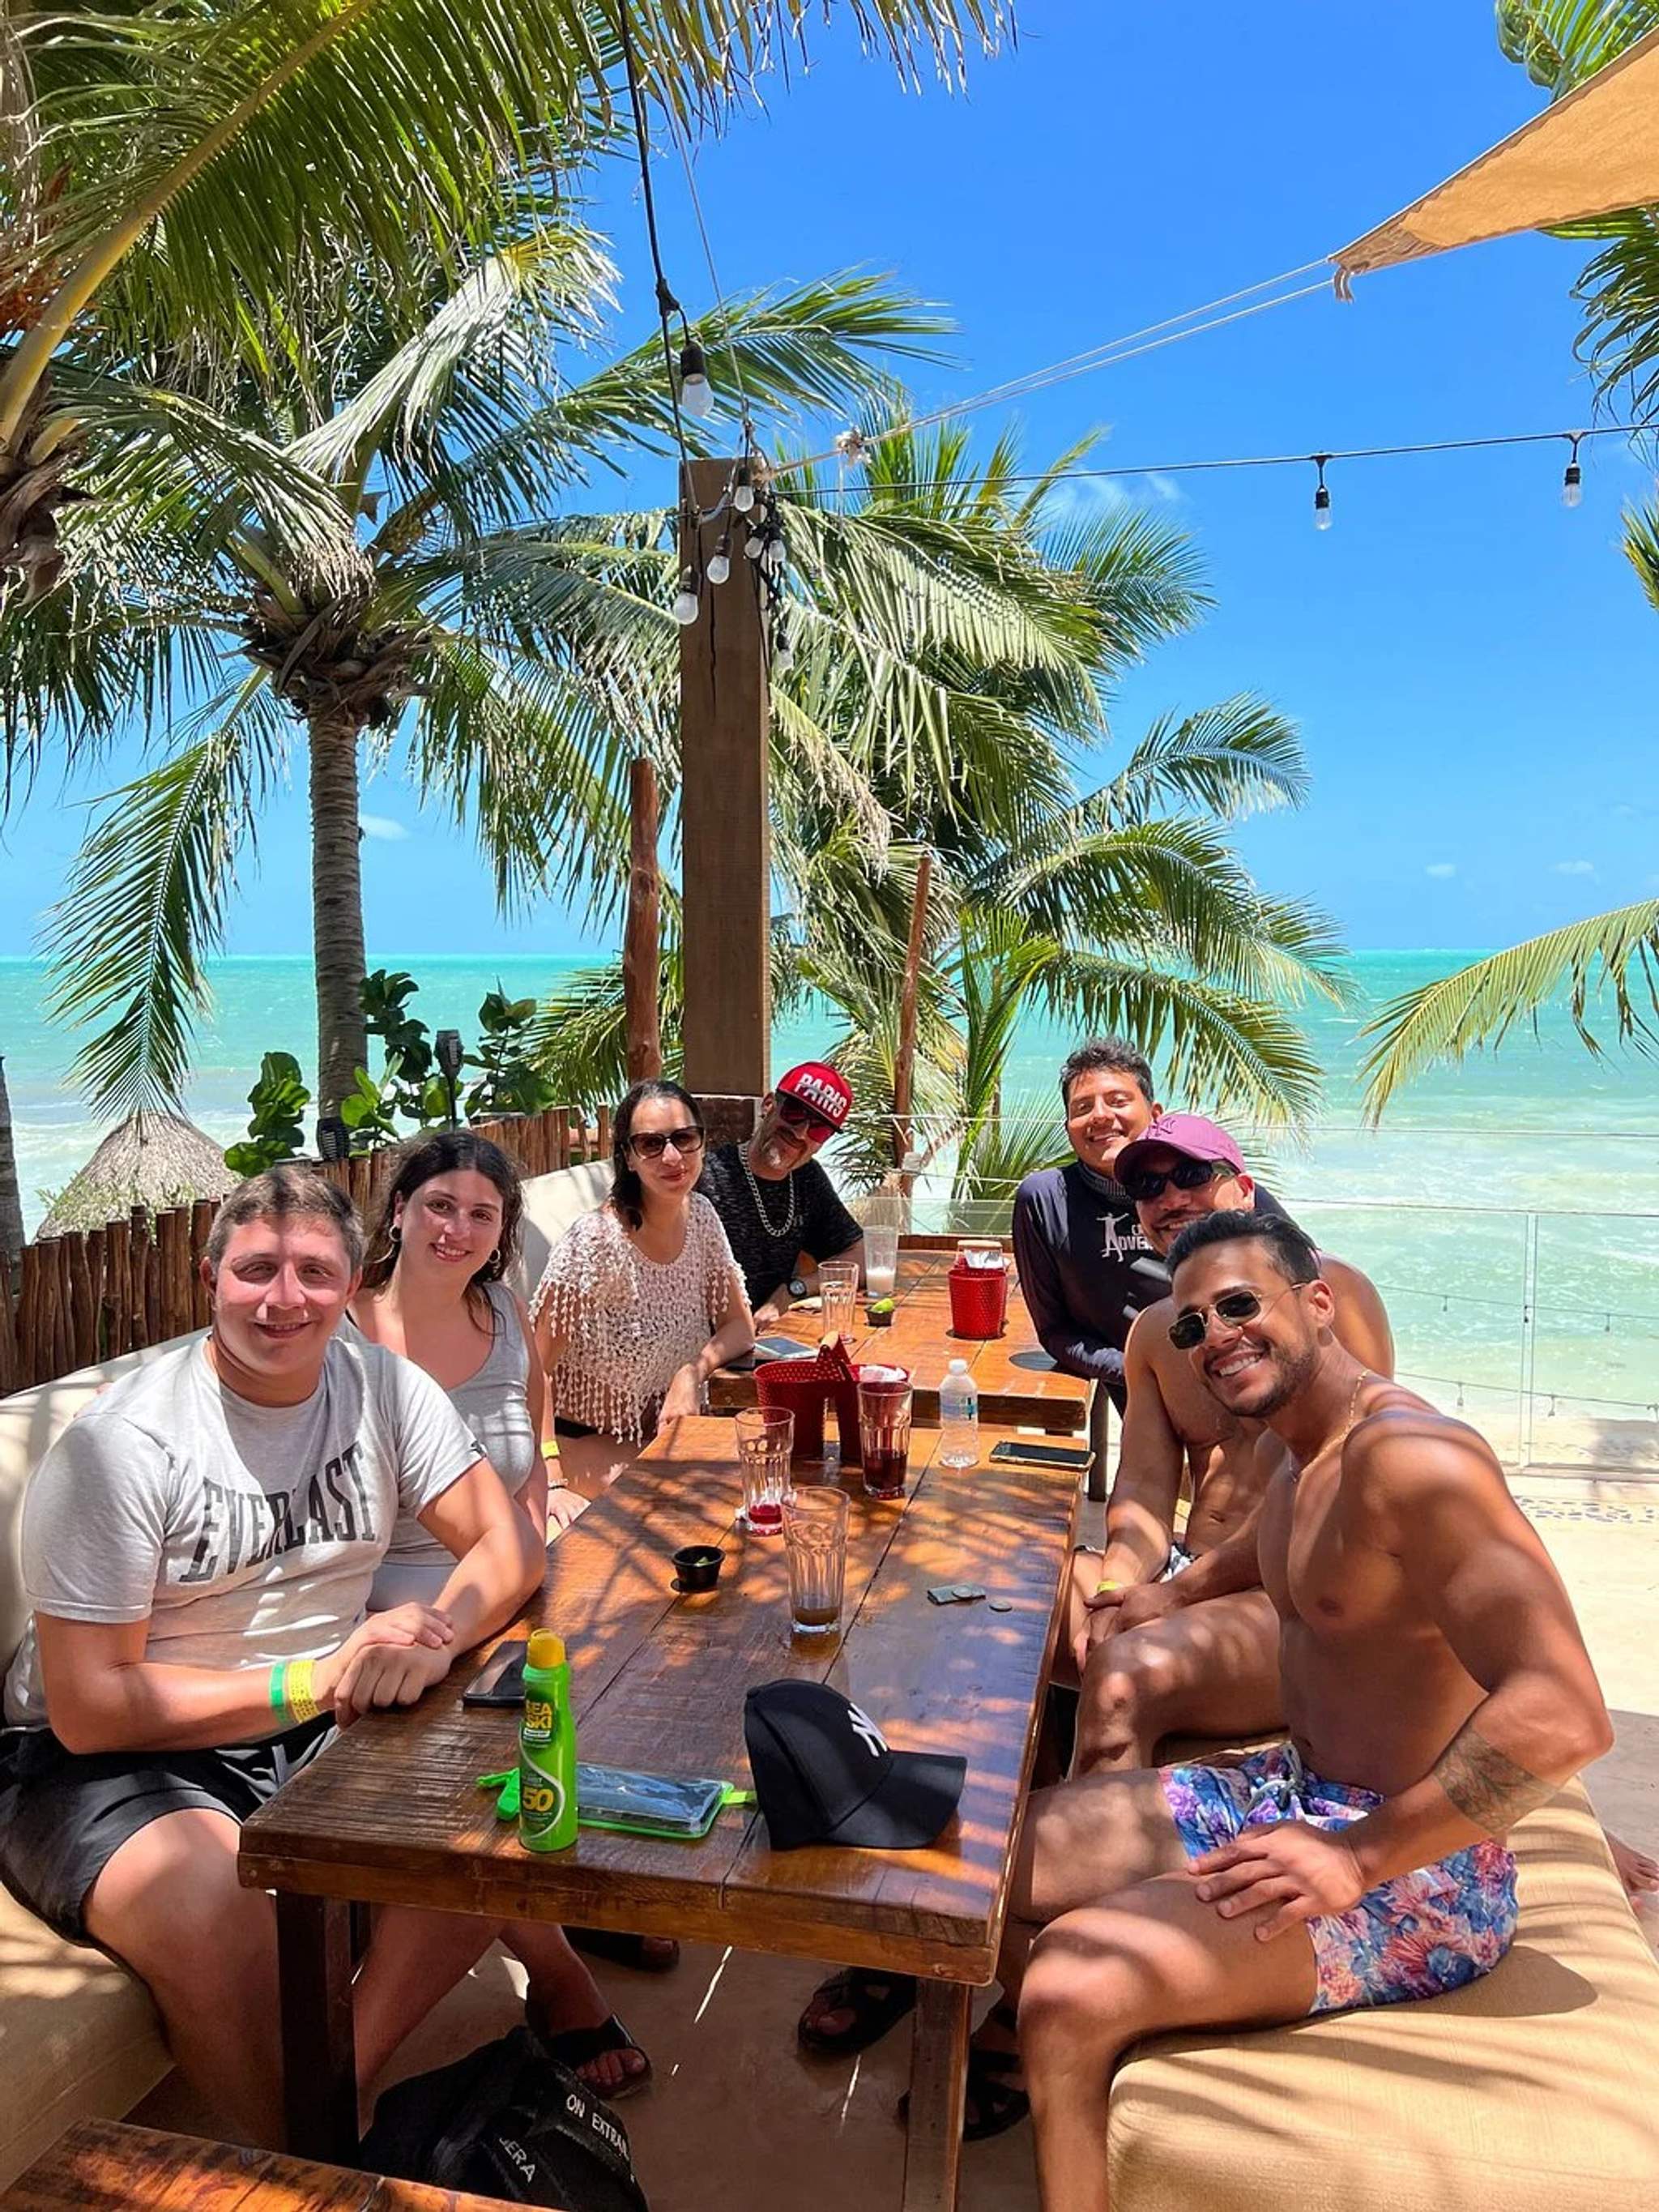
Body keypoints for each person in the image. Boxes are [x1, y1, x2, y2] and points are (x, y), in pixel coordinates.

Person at [983, 1211, 1612, 2192]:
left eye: (1239, 1305)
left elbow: (1566, 1710)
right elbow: (1272, 1550)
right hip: (1288, 1791)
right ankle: (1113, 2102)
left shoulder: (1412, 1459)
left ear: (1316, 1303)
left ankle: (1080, 2078)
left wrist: (1355, 1854)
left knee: (1067, 1982)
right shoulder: (1300, 1449)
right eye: (1189, 1327)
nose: (1215, 1338)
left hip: (1415, 1870)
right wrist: (1173, 1591)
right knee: (989, 1867)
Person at [0, 1166, 546, 2146]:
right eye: (256, 1270)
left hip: (314, 1724)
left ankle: (320, 2129)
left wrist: (434, 1636)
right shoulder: (126, 1445)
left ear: (348, 1283)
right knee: (218, 1909)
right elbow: (89, 1705)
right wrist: (313, 1679)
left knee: (501, 1813)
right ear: (208, 1277)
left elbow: (507, 1547)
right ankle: (320, 2158)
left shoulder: (378, 1387)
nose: (284, 1299)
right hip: (108, 1760)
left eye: (313, 1273)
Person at [350, 1131, 658, 2095]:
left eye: (481, 1214)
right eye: (439, 1205)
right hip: (389, 1612)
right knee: (505, 1743)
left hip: (508, 1586)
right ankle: (557, 1964)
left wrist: (549, 1551)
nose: (458, 1227)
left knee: (649, 1655)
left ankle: (574, 1902)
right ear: (397, 1210)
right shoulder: (345, 1329)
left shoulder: (508, 1315)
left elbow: (527, 1472)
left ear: (501, 1233)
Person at [1064, 1112, 1394, 1775]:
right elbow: (1146, 1489)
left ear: (1242, 1189)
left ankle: (1096, 1853)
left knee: (1123, 1672)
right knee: (1023, 1600)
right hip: (1191, 1569)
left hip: (1294, 1595)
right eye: (1151, 1189)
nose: (1172, 1198)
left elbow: (1334, 1489)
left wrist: (1176, 1598)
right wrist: (1118, 1585)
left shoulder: (1323, 1299)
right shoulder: (1161, 1333)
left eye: (1192, 1176)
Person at [532, 1080, 753, 1494]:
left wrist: (691, 1373)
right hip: (582, 1444)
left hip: (668, 1433)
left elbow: (739, 1328)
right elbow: (533, 1366)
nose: (672, 1157)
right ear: (629, 1158)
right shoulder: (596, 1242)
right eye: (651, 1144)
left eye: (685, 1138)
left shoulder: (701, 1216)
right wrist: (551, 1476)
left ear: (702, 1144)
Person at [1011, 1040, 1167, 1420]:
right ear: (1068, 1128)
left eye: (1117, 1101)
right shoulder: (1046, 1200)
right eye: (1082, 1108)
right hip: (1141, 1395)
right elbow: (1055, 1332)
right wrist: (1139, 1369)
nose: (1099, 1116)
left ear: (1156, 1114)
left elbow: (1301, 1268)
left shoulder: (1199, 1179)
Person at [695, 1061, 863, 1324]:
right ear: (769, 1105)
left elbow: (859, 1259)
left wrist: (793, 1290)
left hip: (771, 1339)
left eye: (819, 1128)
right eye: (795, 1112)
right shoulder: (708, 1178)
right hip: (709, 1346)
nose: (800, 1132)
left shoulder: (808, 1179)